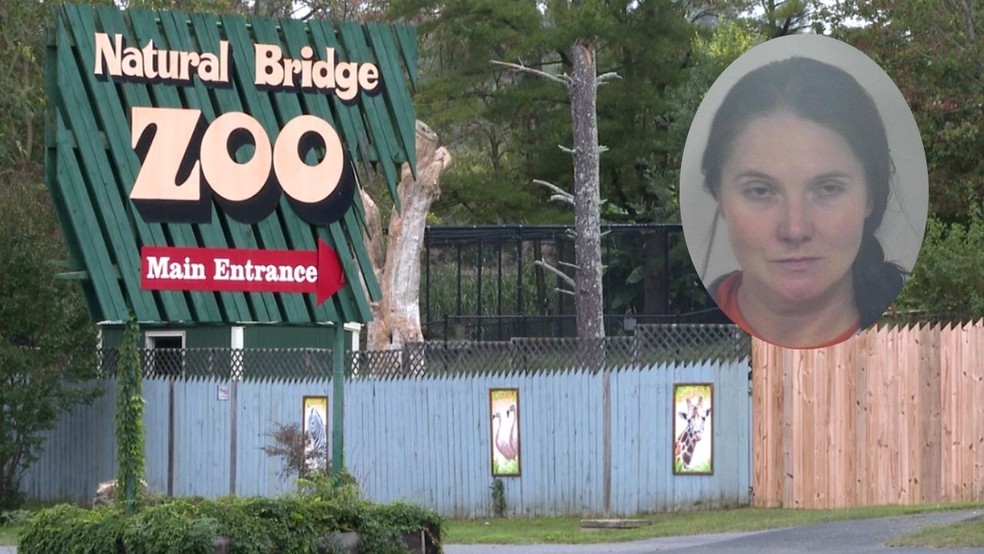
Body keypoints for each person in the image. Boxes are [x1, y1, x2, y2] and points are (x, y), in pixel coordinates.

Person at [698, 56, 906, 349]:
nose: (795, 229)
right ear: (719, 195)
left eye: (828, 189)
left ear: (870, 196)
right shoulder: (687, 340)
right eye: (760, 191)